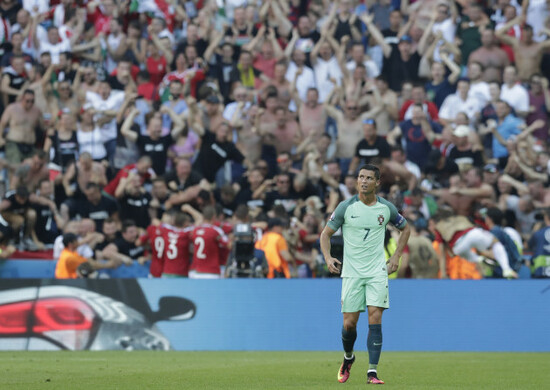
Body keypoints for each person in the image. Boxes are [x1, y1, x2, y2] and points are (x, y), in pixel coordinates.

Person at [320, 164, 410, 384]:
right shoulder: (345, 207)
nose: (363, 181)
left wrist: (396, 255)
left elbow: (405, 228)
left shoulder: (385, 208)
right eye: (361, 177)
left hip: (377, 272)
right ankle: (348, 357)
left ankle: (372, 372)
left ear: (377, 182)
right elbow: (325, 235)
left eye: (369, 178)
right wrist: (328, 257)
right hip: (352, 273)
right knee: (349, 323)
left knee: (375, 317)